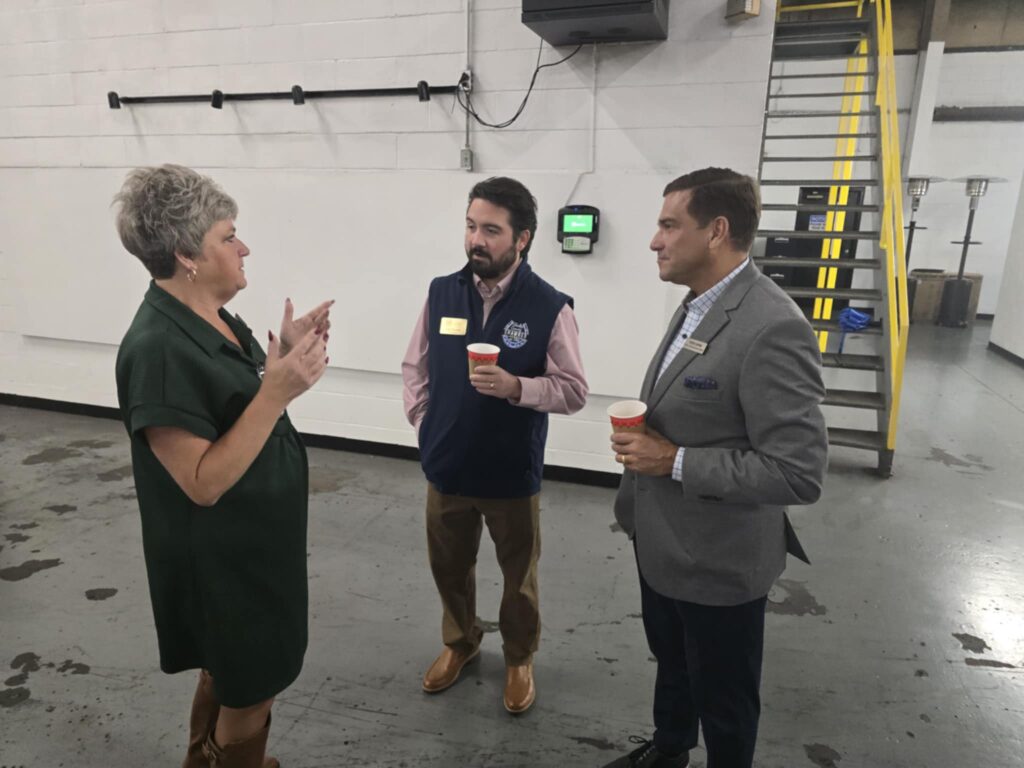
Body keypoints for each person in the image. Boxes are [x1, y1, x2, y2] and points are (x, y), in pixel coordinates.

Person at [602, 168, 827, 768]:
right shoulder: (698, 305)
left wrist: (672, 459)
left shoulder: (773, 326)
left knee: (725, 698)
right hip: (662, 541)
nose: (654, 240)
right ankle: (671, 746)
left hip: (719, 560)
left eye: (669, 225)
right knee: (673, 664)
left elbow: (797, 472)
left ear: (717, 231)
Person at [113, 164, 332, 768]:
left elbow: (236, 411)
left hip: (256, 546)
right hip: (223, 562)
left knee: (233, 673)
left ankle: (205, 759)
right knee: (251, 687)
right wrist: (276, 392)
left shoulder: (213, 318)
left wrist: (283, 360)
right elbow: (202, 482)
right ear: (187, 254)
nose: (244, 248)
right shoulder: (157, 349)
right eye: (228, 236)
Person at [401, 176, 588, 714]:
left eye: (490, 230)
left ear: (522, 238)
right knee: (449, 567)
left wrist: (516, 388)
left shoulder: (549, 306)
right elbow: (415, 366)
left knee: (518, 577)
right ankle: (460, 643)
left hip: (510, 472)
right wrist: (424, 424)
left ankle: (518, 657)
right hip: (447, 466)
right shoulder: (442, 292)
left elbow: (574, 390)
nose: (475, 240)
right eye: (470, 226)